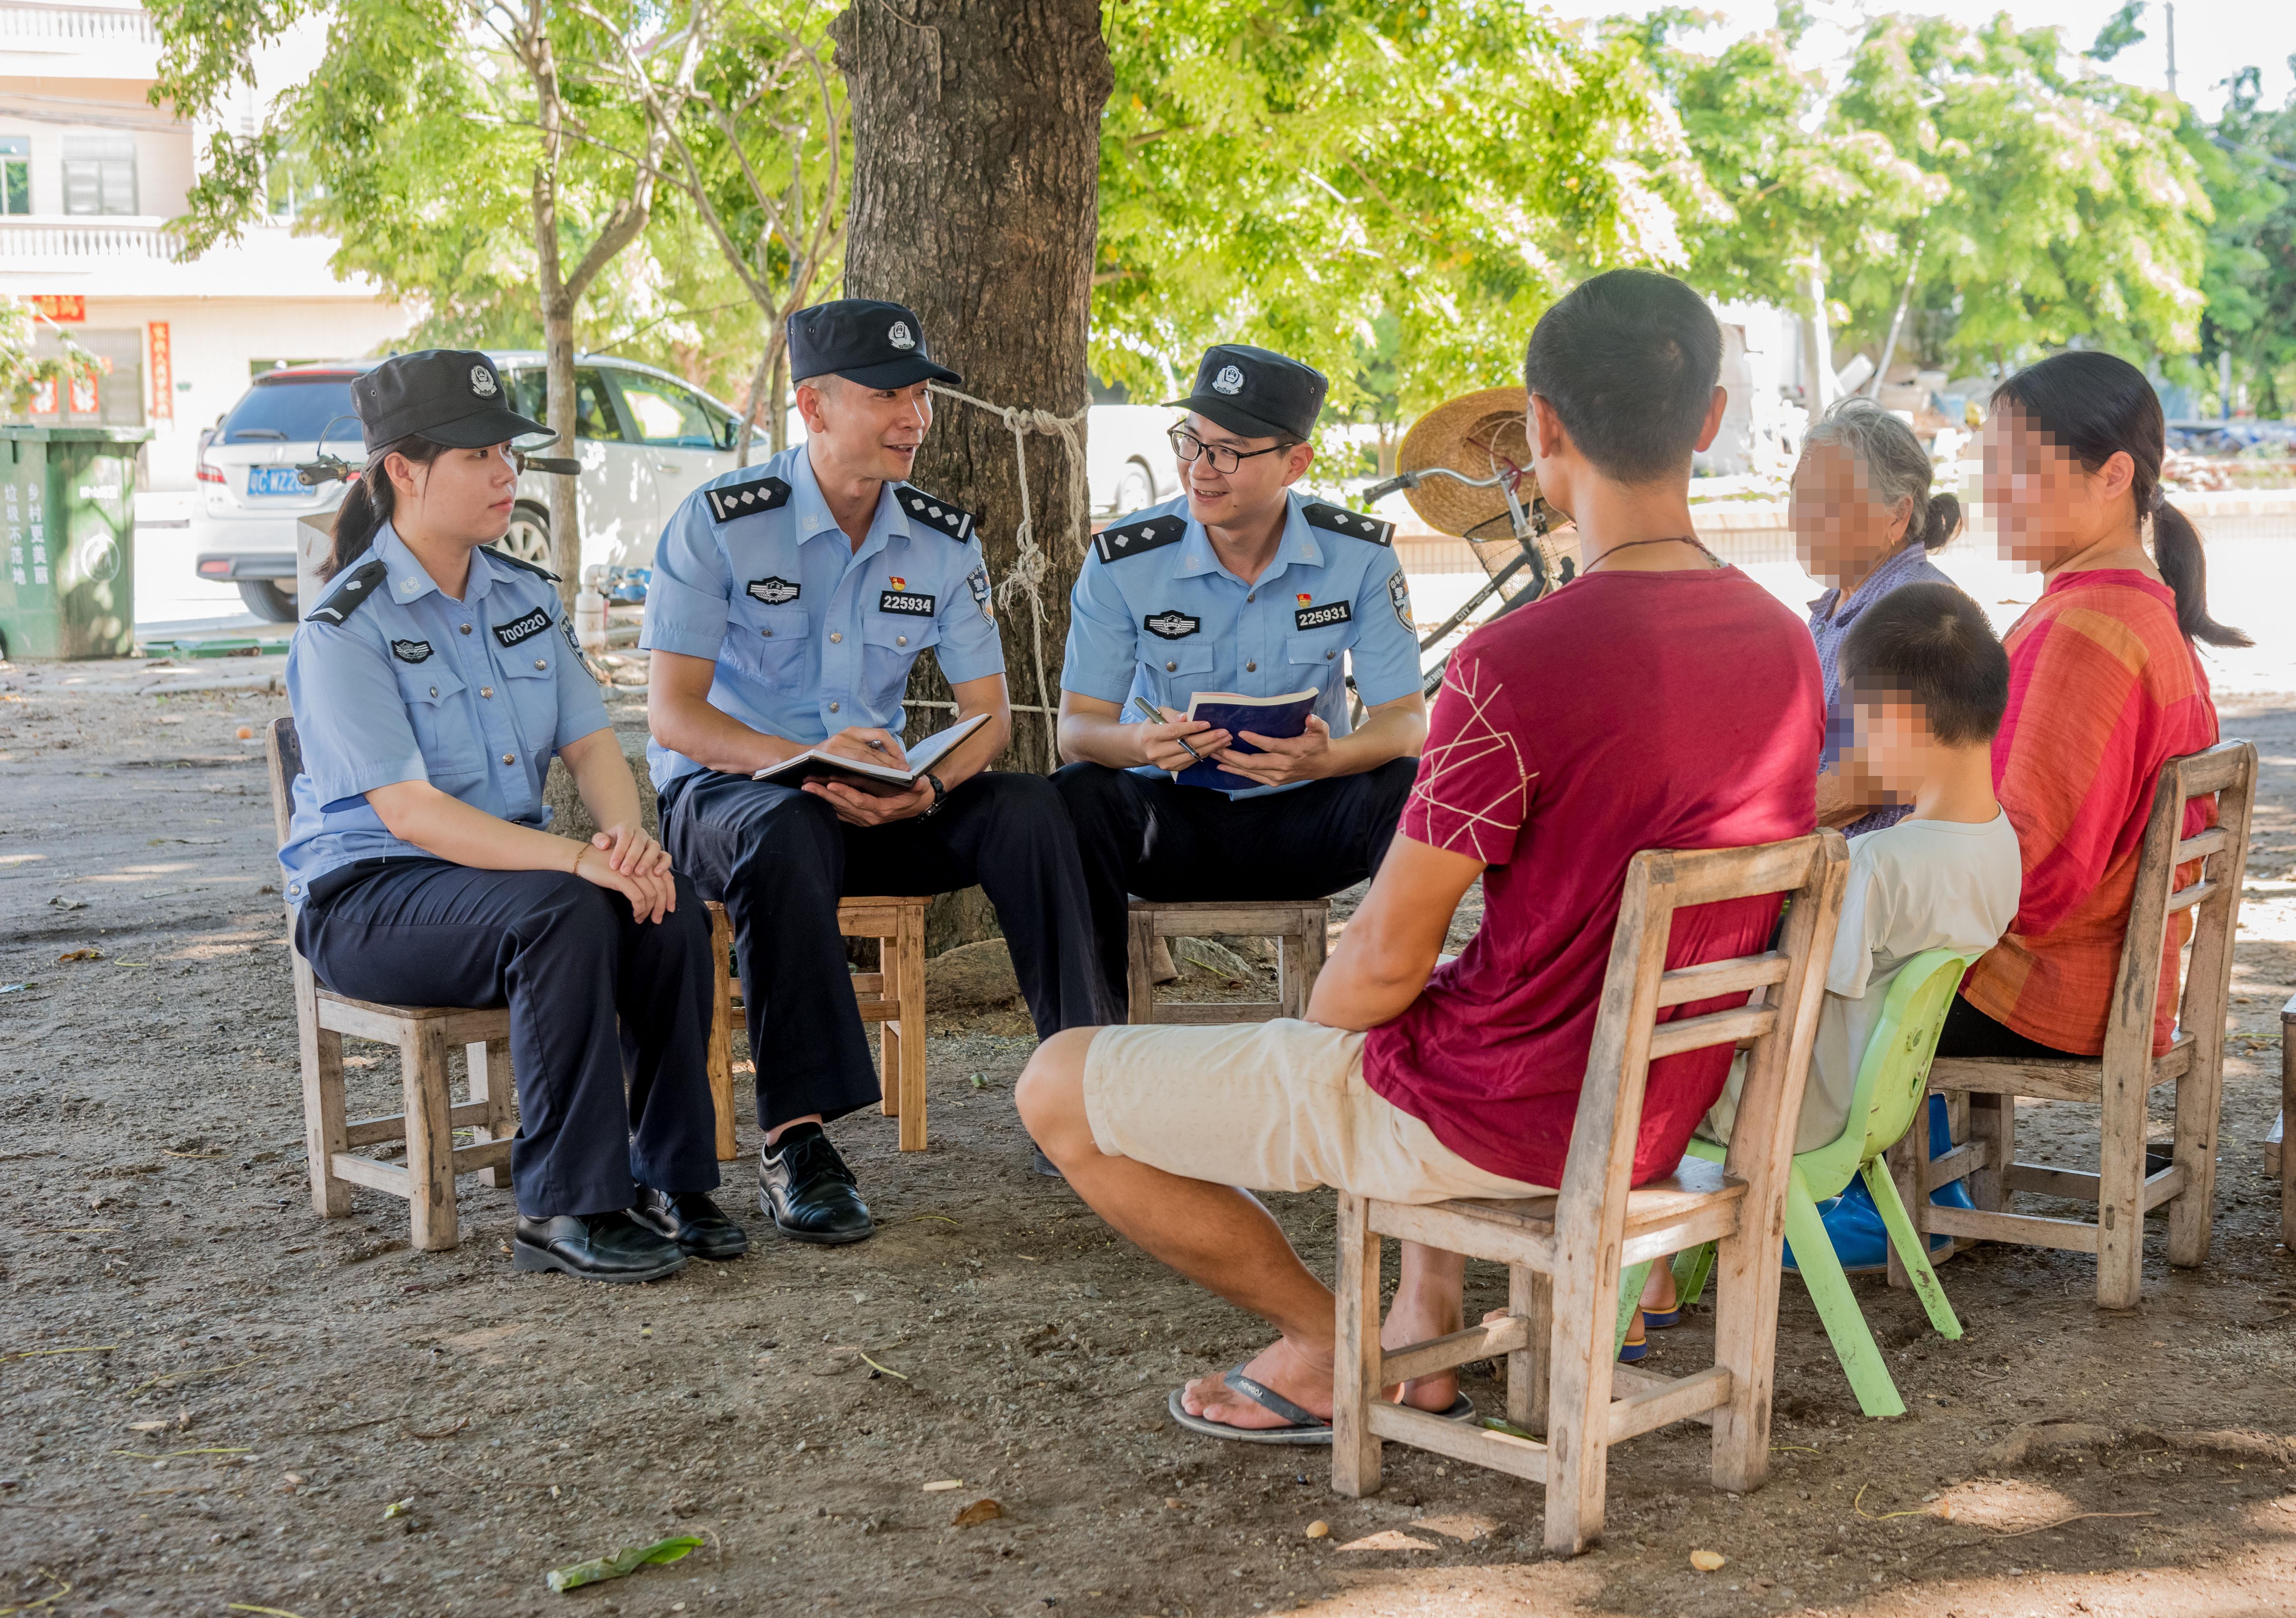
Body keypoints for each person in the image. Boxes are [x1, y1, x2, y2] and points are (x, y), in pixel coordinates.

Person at [1016, 269, 1823, 1441]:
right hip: (1657, 1104)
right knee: (1431, 1002)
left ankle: (1326, 1344)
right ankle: (1417, 1331)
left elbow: (1380, 963)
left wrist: (1289, 1060)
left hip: (1508, 1111)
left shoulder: (1516, 663)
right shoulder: (1786, 645)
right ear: (1706, 422)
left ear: (1537, 431)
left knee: (1056, 1086)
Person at [643, 298, 1109, 1242]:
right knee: (786, 827)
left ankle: (1087, 1093)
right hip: (734, 798)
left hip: (878, 808)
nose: (916, 418)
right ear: (812, 408)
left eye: (922, 396)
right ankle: (795, 1140)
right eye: (888, 396)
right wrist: (797, 763)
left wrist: (929, 792)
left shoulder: (939, 538)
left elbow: (992, 716)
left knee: (1031, 807)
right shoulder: (724, 524)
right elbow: (675, 715)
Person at [279, 349, 735, 1285]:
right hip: (372, 900)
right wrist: (575, 865)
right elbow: (408, 816)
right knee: (567, 913)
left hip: (502, 883)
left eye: (509, 454)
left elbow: (592, 746)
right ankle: (568, 1207)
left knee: (666, 903)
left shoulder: (524, 601)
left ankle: (673, 1180)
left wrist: (625, 840)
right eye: (479, 456)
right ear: (403, 473)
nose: (506, 474)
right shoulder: (343, 627)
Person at [1052, 344, 1425, 1020]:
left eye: (1228, 451)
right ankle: (1089, 1047)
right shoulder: (1125, 558)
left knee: (1409, 789)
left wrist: (1330, 757)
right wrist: (1139, 744)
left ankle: (1386, 1031)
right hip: (1167, 826)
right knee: (1071, 797)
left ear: (1295, 462)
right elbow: (1076, 729)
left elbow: (1405, 719)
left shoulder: (1359, 556)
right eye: (1190, 442)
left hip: (1307, 820)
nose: (1200, 469)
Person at [1687, 583, 2020, 1278]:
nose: (1847, 741)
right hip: (1878, 1109)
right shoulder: (1996, 842)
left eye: (1852, 719)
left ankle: (1646, 1266)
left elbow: (1788, 1008)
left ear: (1899, 721)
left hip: (1794, 1111)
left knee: (1615, 1049)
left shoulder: (1875, 864)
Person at [1940, 349, 2244, 1062]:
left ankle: (1841, 1174)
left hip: (2038, 988)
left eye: (2017, 468)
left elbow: (2023, 875)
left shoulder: (2088, 628)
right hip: (2098, 978)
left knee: (1789, 983)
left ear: (2113, 475)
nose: (1992, 493)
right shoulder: (2131, 611)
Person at [1793, 397, 1966, 837]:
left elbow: (1869, 778)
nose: (1806, 517)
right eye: (1800, 493)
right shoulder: (1837, 602)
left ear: (1897, 515)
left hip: (1873, 888)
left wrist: (1763, 818)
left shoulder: (1916, 605)